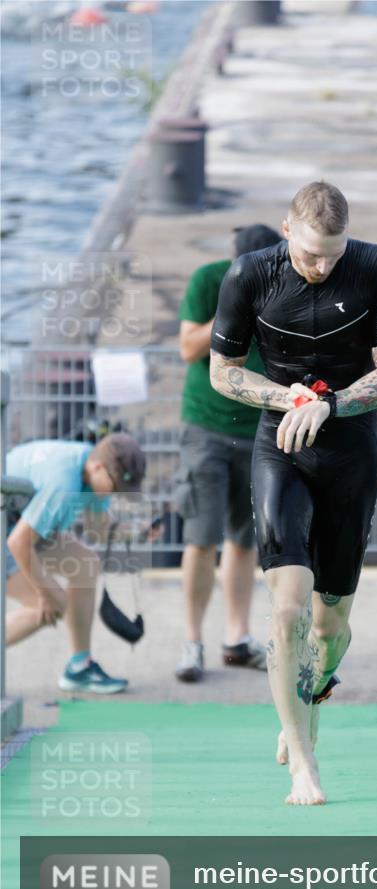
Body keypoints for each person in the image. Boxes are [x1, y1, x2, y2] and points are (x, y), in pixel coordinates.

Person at [209, 181, 377, 805]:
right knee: (288, 607)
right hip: (282, 445)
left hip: (350, 448)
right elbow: (222, 371)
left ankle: (307, 694)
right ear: (286, 229)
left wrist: (333, 404)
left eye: (332, 254)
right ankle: (304, 761)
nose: (321, 267)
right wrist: (286, 399)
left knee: (330, 627)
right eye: (309, 254)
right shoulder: (251, 275)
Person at [175, 224, 282, 682]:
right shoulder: (208, 281)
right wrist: (233, 305)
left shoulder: (281, 288)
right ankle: (191, 642)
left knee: (244, 540)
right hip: (206, 428)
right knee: (202, 538)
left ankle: (235, 639)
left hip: (257, 429)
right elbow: (186, 348)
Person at [5, 432, 146, 694]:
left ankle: (79, 668)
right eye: (115, 488)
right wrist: (46, 592)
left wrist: (138, 532)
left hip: (17, 523)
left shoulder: (91, 464)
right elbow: (18, 543)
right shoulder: (63, 482)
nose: (117, 495)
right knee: (49, 604)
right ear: (98, 468)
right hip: (11, 531)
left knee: (86, 564)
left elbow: (97, 530)